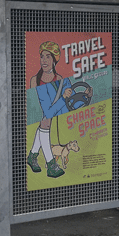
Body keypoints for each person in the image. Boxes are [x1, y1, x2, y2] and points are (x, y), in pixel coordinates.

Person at [26, 41, 74, 178]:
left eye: (48, 56)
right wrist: (63, 98)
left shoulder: (60, 79)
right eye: (42, 56)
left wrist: (79, 94)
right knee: (45, 123)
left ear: (54, 60)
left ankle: (32, 156)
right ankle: (51, 164)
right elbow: (37, 106)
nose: (44, 60)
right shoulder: (35, 80)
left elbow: (69, 100)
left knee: (44, 125)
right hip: (42, 112)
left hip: (52, 111)